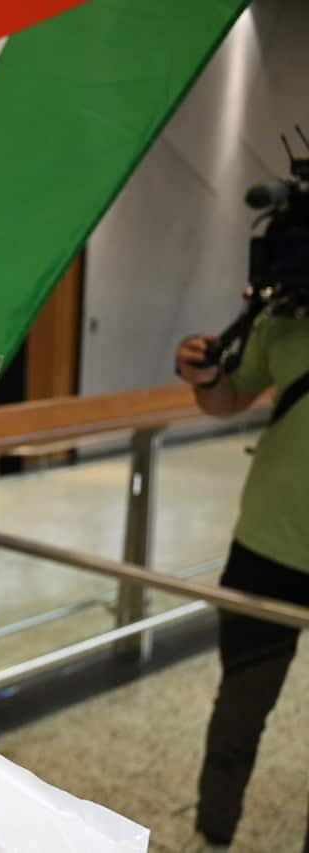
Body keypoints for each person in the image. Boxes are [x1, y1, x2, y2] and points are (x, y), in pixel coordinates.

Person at [176, 314, 309, 853]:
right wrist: (206, 377)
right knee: (238, 712)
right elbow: (230, 399)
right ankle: (213, 834)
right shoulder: (286, 312)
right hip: (267, 545)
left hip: (270, 541)